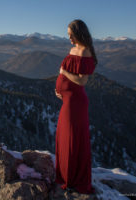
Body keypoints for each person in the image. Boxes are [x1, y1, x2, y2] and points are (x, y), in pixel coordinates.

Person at [54, 19, 97, 194]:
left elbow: (82, 80)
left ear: (79, 33)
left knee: (73, 139)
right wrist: (61, 92)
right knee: (64, 137)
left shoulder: (85, 52)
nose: (70, 38)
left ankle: (74, 178)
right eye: (68, 35)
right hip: (68, 101)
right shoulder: (73, 50)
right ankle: (64, 175)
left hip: (76, 103)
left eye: (72, 35)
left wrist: (64, 73)